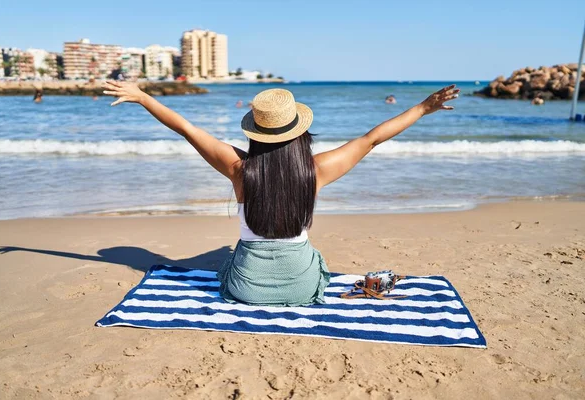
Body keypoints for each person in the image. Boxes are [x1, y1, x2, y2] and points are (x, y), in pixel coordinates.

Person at [102, 82, 459, 306]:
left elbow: (186, 128)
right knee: (313, 258)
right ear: (300, 131)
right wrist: (422, 108)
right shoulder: (315, 170)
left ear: (255, 133)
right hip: (301, 289)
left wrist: (143, 97)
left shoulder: (239, 169)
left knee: (230, 262)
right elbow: (372, 138)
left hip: (245, 290)